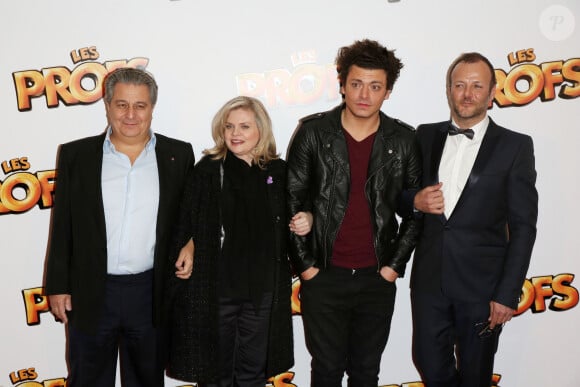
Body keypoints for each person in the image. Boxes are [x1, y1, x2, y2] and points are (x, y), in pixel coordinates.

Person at [44, 67, 195, 387]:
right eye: (121, 104)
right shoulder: (77, 155)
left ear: (152, 108)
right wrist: (58, 284)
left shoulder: (178, 154)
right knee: (87, 379)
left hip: (150, 292)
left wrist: (192, 243)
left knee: (146, 379)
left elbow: (191, 215)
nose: (131, 115)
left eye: (140, 106)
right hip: (91, 291)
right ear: (107, 105)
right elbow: (62, 225)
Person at [286, 39, 422, 387]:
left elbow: (416, 210)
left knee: (366, 373)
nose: (365, 94)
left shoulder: (404, 141)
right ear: (342, 84)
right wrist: (307, 267)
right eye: (357, 83)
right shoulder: (314, 133)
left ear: (388, 92)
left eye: (375, 86)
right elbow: (290, 201)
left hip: (376, 277)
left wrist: (393, 267)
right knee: (326, 371)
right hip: (324, 276)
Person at [409, 52, 538, 387]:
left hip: (483, 289)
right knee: (427, 361)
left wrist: (507, 293)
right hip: (430, 283)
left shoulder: (515, 146)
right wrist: (415, 200)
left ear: (492, 93)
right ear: (449, 90)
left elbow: (523, 227)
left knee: (476, 375)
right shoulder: (424, 136)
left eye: (477, 86)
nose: (467, 93)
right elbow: (398, 194)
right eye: (459, 85)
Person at [166, 96, 312, 387]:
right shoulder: (208, 170)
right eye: (229, 126)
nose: (235, 133)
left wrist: (308, 217)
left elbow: (305, 211)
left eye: (244, 126)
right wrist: (190, 244)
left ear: (261, 129)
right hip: (217, 289)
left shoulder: (279, 172)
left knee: (252, 375)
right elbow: (189, 222)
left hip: (262, 290)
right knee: (214, 375)